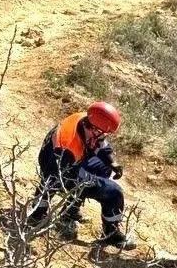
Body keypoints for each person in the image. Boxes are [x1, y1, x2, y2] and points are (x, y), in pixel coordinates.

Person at [26, 101, 136, 250]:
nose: (103, 136)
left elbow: (101, 145)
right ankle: (111, 235)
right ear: (93, 128)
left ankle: (69, 211)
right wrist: (37, 212)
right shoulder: (66, 147)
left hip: (69, 162)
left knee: (104, 168)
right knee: (114, 192)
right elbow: (50, 179)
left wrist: (112, 163)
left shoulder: (86, 120)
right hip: (61, 167)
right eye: (102, 133)